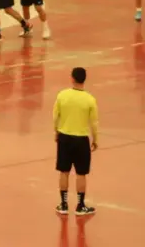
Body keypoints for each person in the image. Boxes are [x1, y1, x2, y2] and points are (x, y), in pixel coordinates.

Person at [53, 67, 99, 216]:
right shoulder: (90, 99)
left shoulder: (62, 95)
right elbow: (94, 123)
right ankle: (80, 205)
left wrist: (56, 132)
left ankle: (64, 204)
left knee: (64, 171)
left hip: (65, 137)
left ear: (72, 78)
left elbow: (55, 116)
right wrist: (95, 139)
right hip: (81, 139)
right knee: (81, 173)